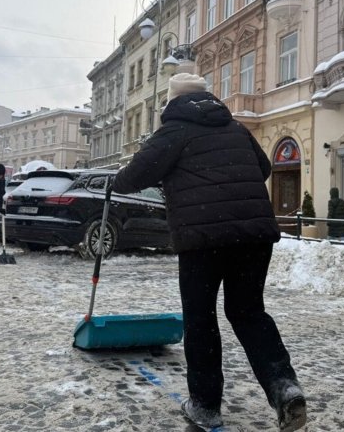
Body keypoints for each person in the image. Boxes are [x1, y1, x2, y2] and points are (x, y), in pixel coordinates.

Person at [112, 73, 307, 431]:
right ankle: (284, 385)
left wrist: (119, 181)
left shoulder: (173, 131)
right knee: (249, 312)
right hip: (253, 235)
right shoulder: (234, 128)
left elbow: (134, 175)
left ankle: (205, 404)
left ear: (172, 101)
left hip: (203, 238)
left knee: (201, 319)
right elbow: (264, 167)